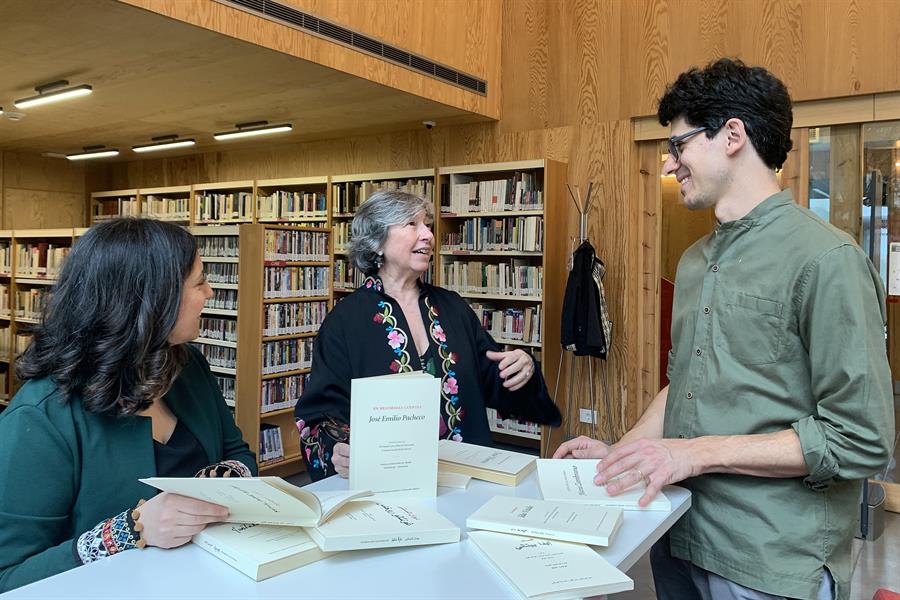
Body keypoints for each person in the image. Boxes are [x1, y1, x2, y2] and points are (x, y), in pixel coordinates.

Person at [554, 58, 894, 600]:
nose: (669, 166)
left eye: (679, 146)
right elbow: (684, 385)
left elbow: (862, 439)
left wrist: (692, 454)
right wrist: (624, 453)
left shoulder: (827, 261)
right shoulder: (692, 262)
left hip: (768, 562)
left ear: (732, 135)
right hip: (677, 536)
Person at [0, 218, 256, 592]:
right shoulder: (42, 418)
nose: (211, 293)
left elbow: (238, 453)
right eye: (199, 282)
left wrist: (227, 484)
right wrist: (131, 529)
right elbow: (9, 576)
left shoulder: (187, 367)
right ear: (153, 299)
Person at [295, 189, 561, 480]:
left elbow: (495, 382)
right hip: (391, 485)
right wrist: (336, 449)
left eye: (428, 225)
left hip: (466, 480)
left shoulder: (453, 308)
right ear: (377, 241)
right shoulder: (344, 323)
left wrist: (523, 368)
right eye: (412, 224)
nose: (428, 235)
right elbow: (320, 418)